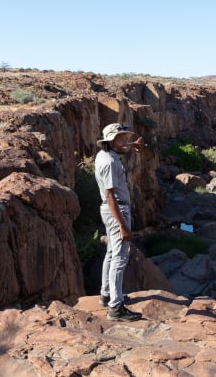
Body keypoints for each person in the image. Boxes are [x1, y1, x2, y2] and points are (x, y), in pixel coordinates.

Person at [95, 122, 145, 321]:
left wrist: (131, 145)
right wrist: (123, 225)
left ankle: (106, 294)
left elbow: (121, 148)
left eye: (125, 137)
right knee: (120, 257)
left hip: (111, 210)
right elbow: (109, 196)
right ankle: (116, 308)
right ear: (110, 141)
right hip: (117, 209)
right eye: (121, 138)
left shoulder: (104, 155)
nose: (125, 140)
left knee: (111, 253)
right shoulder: (110, 163)